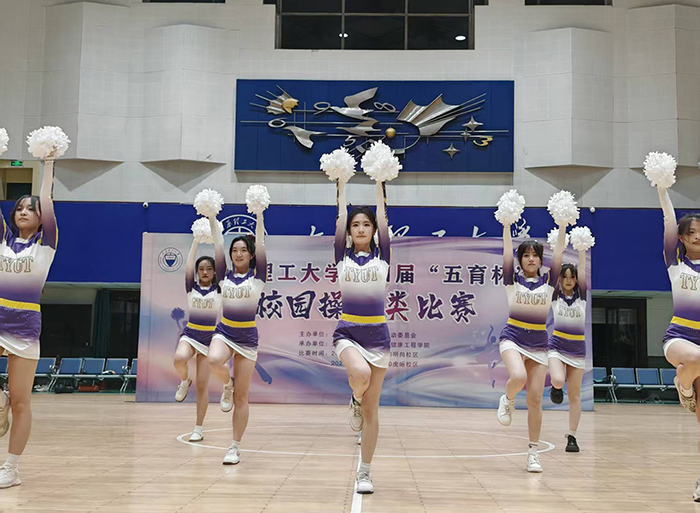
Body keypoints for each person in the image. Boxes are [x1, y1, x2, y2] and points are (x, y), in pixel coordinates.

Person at [0, 159, 58, 488]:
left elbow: (47, 200)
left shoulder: (46, 244)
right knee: (9, 399)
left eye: (30, 208)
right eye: (19, 207)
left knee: (22, 401)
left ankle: (11, 468)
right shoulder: (3, 240)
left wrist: (47, 162)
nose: (23, 211)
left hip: (24, 325)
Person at [332, 178, 391, 494]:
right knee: (360, 373)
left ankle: (364, 472)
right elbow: (339, 216)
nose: (360, 229)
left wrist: (380, 182)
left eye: (366, 224)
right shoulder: (341, 257)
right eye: (355, 225)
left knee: (371, 411)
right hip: (347, 332)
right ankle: (355, 397)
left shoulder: (384, 258)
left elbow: (384, 217)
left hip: (378, 336)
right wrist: (341, 183)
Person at [496, 225, 566, 473]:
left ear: (541, 259)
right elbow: (506, 252)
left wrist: (563, 225)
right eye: (526, 255)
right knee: (518, 376)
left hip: (538, 343)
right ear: (520, 260)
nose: (531, 259)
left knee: (535, 399)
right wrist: (506, 225)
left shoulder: (549, 282)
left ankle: (533, 453)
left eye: (535, 255)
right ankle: (508, 399)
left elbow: (559, 254)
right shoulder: (511, 279)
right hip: (513, 337)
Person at [207, 213, 266, 465]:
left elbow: (261, 244)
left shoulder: (258, 276)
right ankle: (227, 384)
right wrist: (212, 216)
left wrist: (260, 214)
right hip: (225, 331)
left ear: (251, 255)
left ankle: (234, 446)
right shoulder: (223, 275)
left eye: (243, 250)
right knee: (213, 360)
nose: (238, 254)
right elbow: (217, 244)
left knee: (242, 397)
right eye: (235, 250)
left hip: (247, 337)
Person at [657, 187, 700, 500]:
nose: (698, 236)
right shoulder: (675, 264)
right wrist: (663, 190)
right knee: (695, 357)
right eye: (692, 232)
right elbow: (668, 222)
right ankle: (684, 389)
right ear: (682, 238)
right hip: (678, 338)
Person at [172, 234, 221, 442]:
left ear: (215, 271)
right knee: (179, 359)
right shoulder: (190, 287)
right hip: (191, 334)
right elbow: (188, 266)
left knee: (202, 386)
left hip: (209, 339)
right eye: (201, 269)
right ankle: (184, 381)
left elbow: (222, 263)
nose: (205, 272)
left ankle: (198, 429)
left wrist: (217, 241)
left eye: (209, 269)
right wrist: (195, 242)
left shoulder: (219, 289)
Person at [547, 253, 588, 453]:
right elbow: (553, 272)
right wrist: (559, 248)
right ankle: (556, 388)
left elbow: (583, 272)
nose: (569, 280)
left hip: (577, 350)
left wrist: (582, 251)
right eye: (565, 277)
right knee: (557, 379)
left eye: (572, 277)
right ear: (560, 279)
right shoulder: (555, 296)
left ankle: (572, 436)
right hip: (557, 346)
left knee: (575, 395)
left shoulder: (582, 298)